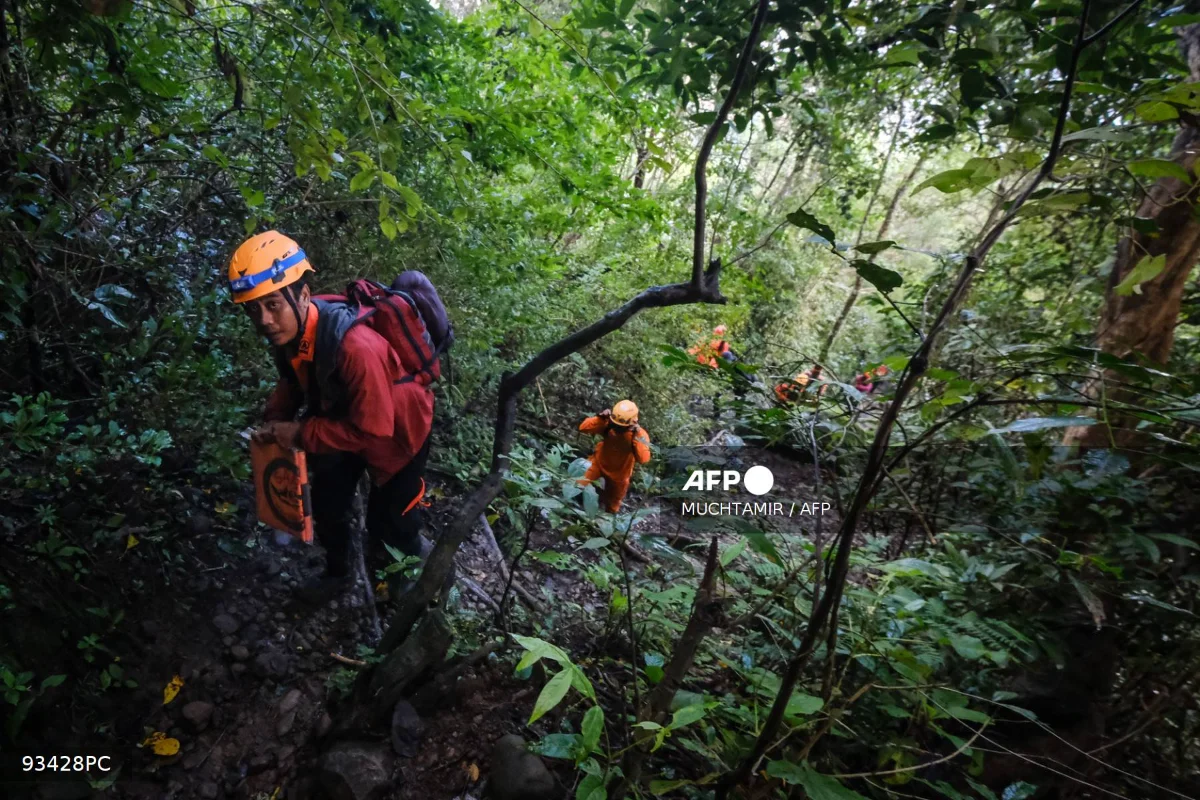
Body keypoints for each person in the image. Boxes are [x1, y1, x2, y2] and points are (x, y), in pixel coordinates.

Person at [228, 231, 435, 602]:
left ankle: (413, 596)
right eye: (253, 309)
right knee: (327, 500)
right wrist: (275, 420)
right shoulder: (295, 329)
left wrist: (301, 433)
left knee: (391, 523)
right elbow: (293, 378)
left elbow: (374, 430)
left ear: (303, 295)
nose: (264, 320)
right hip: (343, 417)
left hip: (399, 432)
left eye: (272, 305)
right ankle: (339, 574)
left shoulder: (357, 348)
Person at [577, 400, 651, 513]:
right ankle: (574, 510)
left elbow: (643, 459)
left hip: (620, 474)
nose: (617, 428)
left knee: (612, 505)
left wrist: (638, 435)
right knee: (578, 485)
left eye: (620, 427)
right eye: (615, 425)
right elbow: (583, 428)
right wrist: (600, 418)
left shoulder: (639, 435)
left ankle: (604, 525)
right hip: (598, 462)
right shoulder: (609, 423)